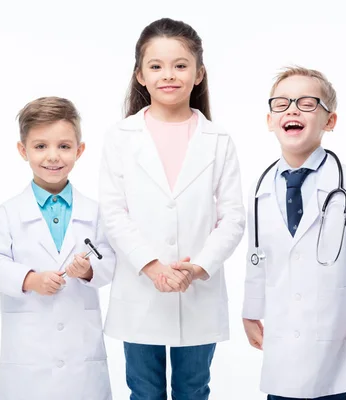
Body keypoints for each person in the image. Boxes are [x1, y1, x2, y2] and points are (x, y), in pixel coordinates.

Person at [98, 17, 245, 400]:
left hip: (197, 287)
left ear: (199, 74)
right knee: (144, 391)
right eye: (156, 66)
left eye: (181, 65)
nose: (169, 75)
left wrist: (196, 268)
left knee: (193, 388)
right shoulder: (120, 138)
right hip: (140, 284)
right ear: (140, 76)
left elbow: (233, 217)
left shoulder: (219, 140)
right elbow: (113, 212)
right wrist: (152, 266)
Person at [242, 66, 346, 399]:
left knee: (329, 392)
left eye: (307, 103)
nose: (292, 109)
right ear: (269, 120)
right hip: (281, 332)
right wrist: (251, 311)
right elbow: (256, 257)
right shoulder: (259, 189)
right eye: (281, 103)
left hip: (333, 331)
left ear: (330, 121)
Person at [0, 96, 115, 400]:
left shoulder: (96, 212)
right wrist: (30, 279)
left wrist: (89, 270)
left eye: (64, 146)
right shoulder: (7, 213)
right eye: (40, 146)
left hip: (81, 354)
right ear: (22, 150)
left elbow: (112, 263)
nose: (53, 156)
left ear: (80, 150)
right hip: (29, 355)